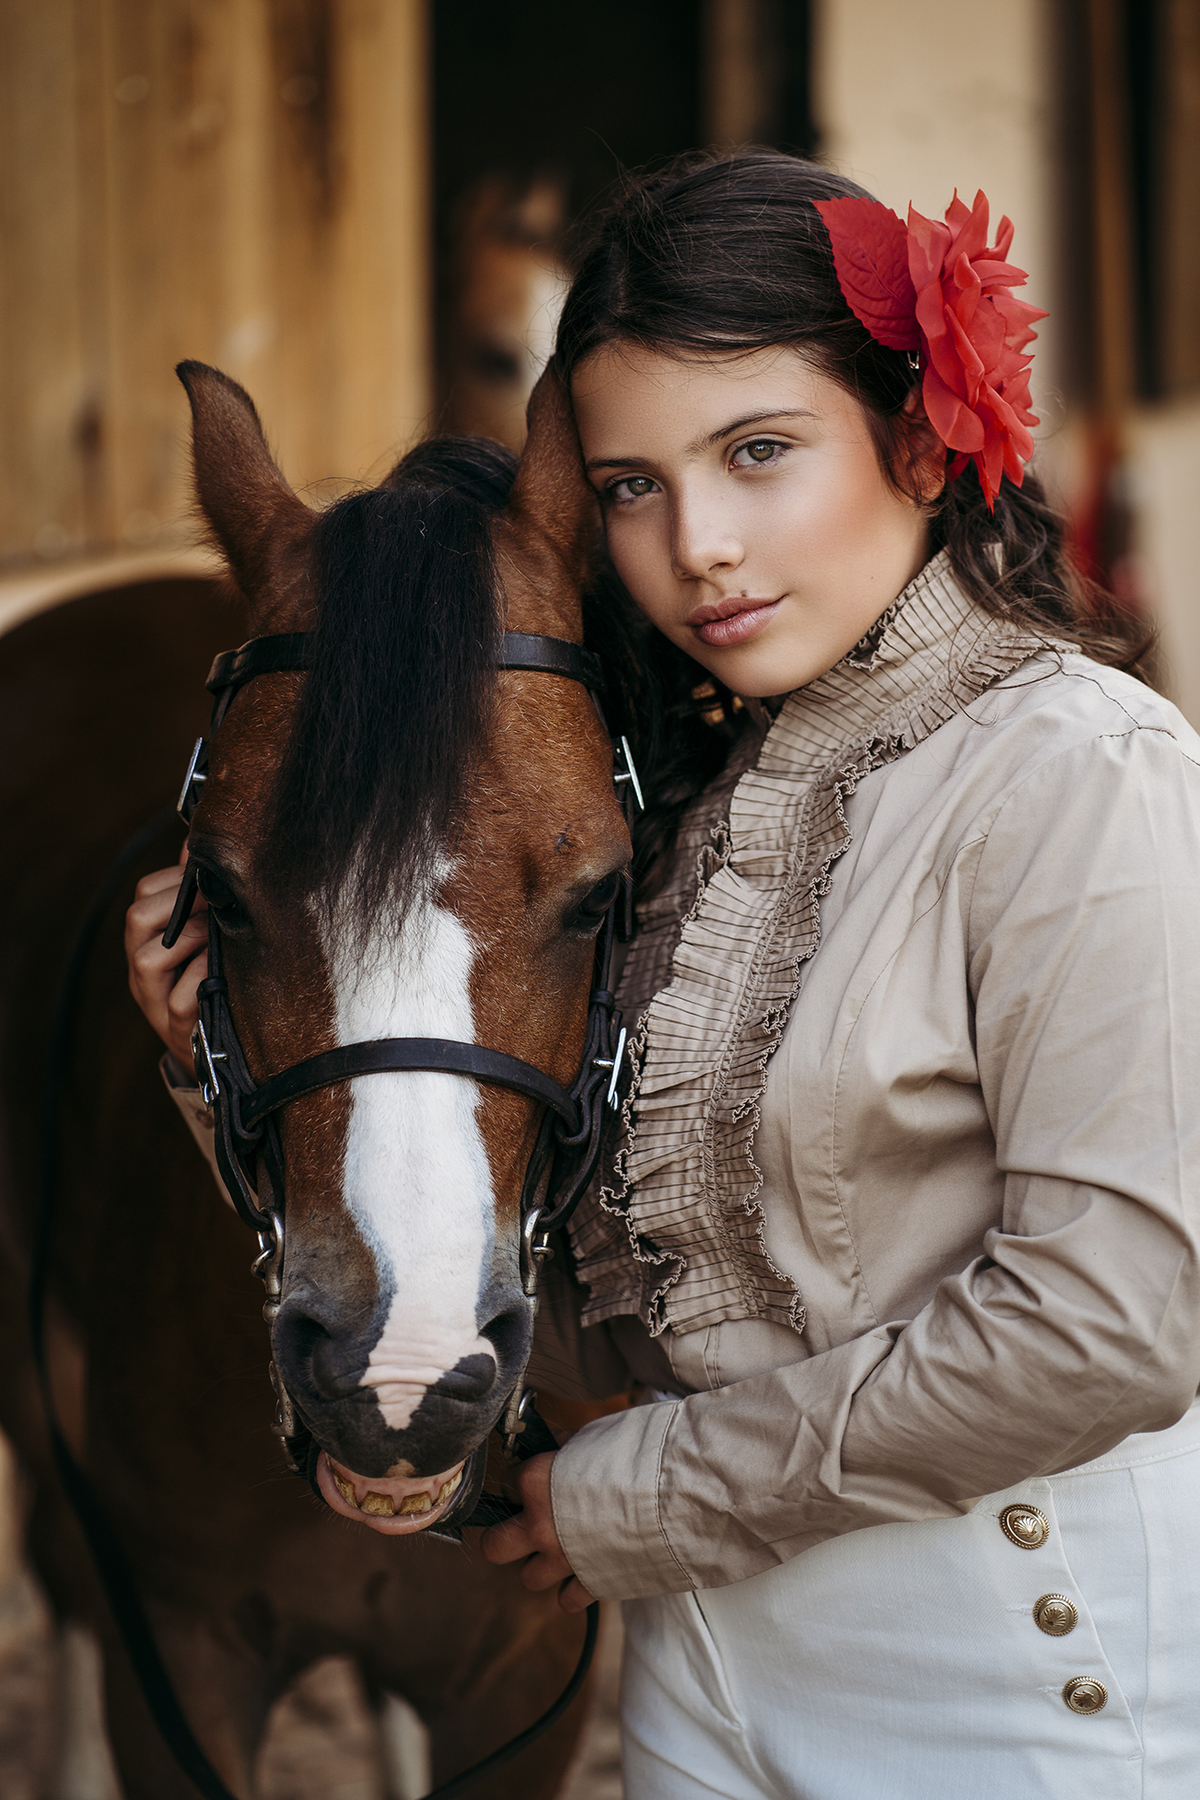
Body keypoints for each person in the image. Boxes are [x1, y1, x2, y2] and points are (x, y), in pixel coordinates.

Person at [128, 153, 1200, 1798]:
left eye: (759, 453)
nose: (698, 544)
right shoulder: (678, 815)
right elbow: (604, 1306)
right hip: (697, 1698)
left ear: (922, 436)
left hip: (1009, 1696)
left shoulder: (1080, 772)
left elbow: (1113, 1323)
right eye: (629, 484)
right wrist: (224, 1078)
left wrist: (640, 1501)